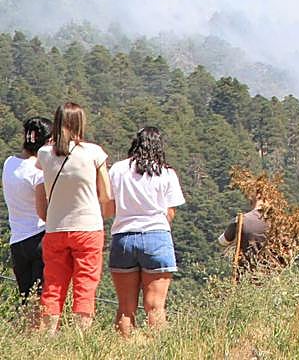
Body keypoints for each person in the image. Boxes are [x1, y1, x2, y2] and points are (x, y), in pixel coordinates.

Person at [34, 102, 112, 332]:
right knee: (85, 284)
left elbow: (41, 183)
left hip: (56, 228)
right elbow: (106, 194)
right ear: (80, 122)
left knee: (54, 285)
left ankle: (47, 336)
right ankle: (81, 337)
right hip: (88, 227)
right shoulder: (94, 152)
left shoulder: (44, 154)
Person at [108, 126, 186, 337]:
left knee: (125, 308)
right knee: (155, 307)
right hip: (156, 236)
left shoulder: (117, 169)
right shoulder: (166, 173)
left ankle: (124, 351)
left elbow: (109, 206)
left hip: (123, 236)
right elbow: (170, 212)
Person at [3, 116, 51, 304]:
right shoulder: (38, 172)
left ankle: (26, 331)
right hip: (38, 238)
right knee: (41, 298)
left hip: (17, 240)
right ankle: (38, 333)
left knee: (26, 298)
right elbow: (42, 213)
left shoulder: (9, 163)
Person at [217, 191, 269, 275]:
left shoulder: (242, 220)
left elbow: (222, 241)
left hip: (246, 272)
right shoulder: (278, 223)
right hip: (272, 274)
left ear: (251, 200)